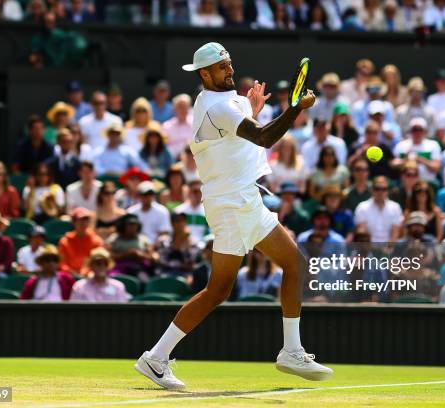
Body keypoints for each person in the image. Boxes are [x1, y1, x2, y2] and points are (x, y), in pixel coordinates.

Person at [136, 42, 332, 390]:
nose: (230, 71)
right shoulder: (219, 106)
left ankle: (289, 350)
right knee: (224, 288)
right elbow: (263, 137)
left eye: (230, 64)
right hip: (233, 204)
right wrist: (295, 110)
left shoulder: (224, 102)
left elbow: (243, 133)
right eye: (222, 68)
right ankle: (157, 358)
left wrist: (254, 109)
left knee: (280, 269)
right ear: (205, 74)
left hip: (242, 201)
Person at [354, 176, 402, 243]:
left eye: (384, 189)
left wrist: (388, 249)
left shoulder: (395, 207)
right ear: (371, 189)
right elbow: (362, 232)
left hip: (389, 249)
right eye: (377, 189)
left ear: (388, 190)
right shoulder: (362, 207)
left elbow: (395, 232)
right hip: (368, 248)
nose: (380, 192)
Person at [392, 117, 442, 182]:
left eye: (420, 129)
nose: (417, 132)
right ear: (410, 131)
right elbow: (393, 165)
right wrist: (405, 160)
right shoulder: (401, 145)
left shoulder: (433, 145)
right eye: (414, 130)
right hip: (405, 183)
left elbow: (436, 167)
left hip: (428, 182)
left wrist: (420, 159)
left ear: (425, 131)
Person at [106, 213, 155, 279]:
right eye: (130, 224)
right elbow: (108, 255)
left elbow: (150, 256)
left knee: (144, 280)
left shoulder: (144, 239)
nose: (133, 227)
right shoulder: (113, 239)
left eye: (135, 224)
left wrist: (140, 255)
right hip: (118, 267)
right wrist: (125, 254)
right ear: (123, 226)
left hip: (139, 267)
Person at [58, 207, 103, 276]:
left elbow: (98, 263)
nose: (84, 223)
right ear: (74, 222)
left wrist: (86, 272)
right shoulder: (64, 241)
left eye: (86, 220)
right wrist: (72, 273)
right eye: (80, 220)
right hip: (69, 276)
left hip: (90, 277)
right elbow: (62, 263)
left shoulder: (96, 241)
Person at [162, 93, 193, 159]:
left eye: (185, 107)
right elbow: (164, 148)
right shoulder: (166, 126)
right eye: (180, 107)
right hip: (174, 161)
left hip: (194, 161)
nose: (183, 110)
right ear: (174, 109)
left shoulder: (196, 123)